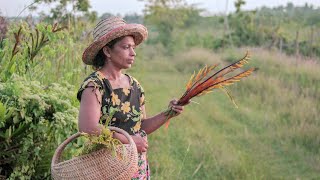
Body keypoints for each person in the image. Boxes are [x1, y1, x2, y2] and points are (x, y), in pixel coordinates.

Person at [77, 16, 186, 179]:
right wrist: (130, 141)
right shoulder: (95, 85)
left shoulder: (134, 85)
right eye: (126, 47)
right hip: (108, 167)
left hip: (135, 166)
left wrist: (169, 113)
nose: (133, 53)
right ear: (107, 51)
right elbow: (88, 127)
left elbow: (140, 126)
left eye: (133, 47)